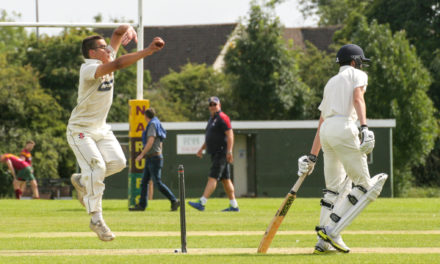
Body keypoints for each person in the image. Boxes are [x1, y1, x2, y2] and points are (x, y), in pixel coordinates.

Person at [67, 24, 165, 241]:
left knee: (119, 163)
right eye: (103, 48)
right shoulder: (89, 68)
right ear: (93, 53)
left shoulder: (105, 57)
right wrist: (148, 51)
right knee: (98, 167)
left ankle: (83, 181)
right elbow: (119, 63)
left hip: (101, 129)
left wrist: (127, 27)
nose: (108, 50)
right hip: (80, 130)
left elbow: (118, 34)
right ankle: (96, 219)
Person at [296, 44, 387, 254]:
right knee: (367, 186)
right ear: (354, 62)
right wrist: (364, 127)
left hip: (327, 131)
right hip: (344, 127)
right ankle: (332, 229)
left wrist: (312, 155)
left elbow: (322, 120)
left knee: (333, 191)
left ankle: (323, 242)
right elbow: (358, 99)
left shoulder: (331, 82)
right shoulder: (358, 74)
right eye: (361, 62)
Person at [188, 96, 239, 212]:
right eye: (210, 104)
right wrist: (201, 149)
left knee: (213, 177)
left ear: (219, 105)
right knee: (226, 179)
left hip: (221, 152)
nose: (212, 106)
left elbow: (230, 135)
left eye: (214, 104)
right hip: (216, 152)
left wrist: (229, 151)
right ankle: (234, 205)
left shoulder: (223, 117)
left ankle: (202, 202)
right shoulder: (212, 119)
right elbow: (210, 137)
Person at [130, 108, 180, 212]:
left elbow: (151, 141)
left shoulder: (152, 124)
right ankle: (142, 205)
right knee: (144, 182)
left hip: (153, 158)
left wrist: (141, 154)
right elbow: (160, 141)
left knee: (157, 183)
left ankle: (174, 200)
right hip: (153, 157)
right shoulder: (157, 122)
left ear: (145, 116)